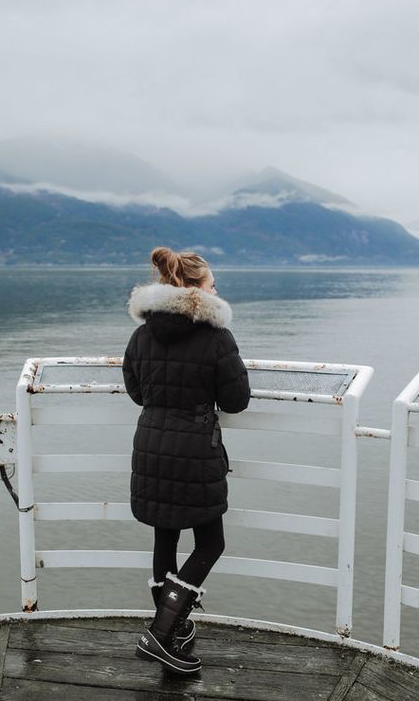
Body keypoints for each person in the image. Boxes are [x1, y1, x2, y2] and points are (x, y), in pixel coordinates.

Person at [122, 246, 250, 675]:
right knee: (211, 543)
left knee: (166, 539)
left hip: (151, 446)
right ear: (197, 291)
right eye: (214, 284)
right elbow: (235, 401)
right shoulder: (216, 337)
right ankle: (160, 635)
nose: (219, 290)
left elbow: (137, 391)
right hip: (196, 451)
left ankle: (172, 627)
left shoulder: (142, 335)